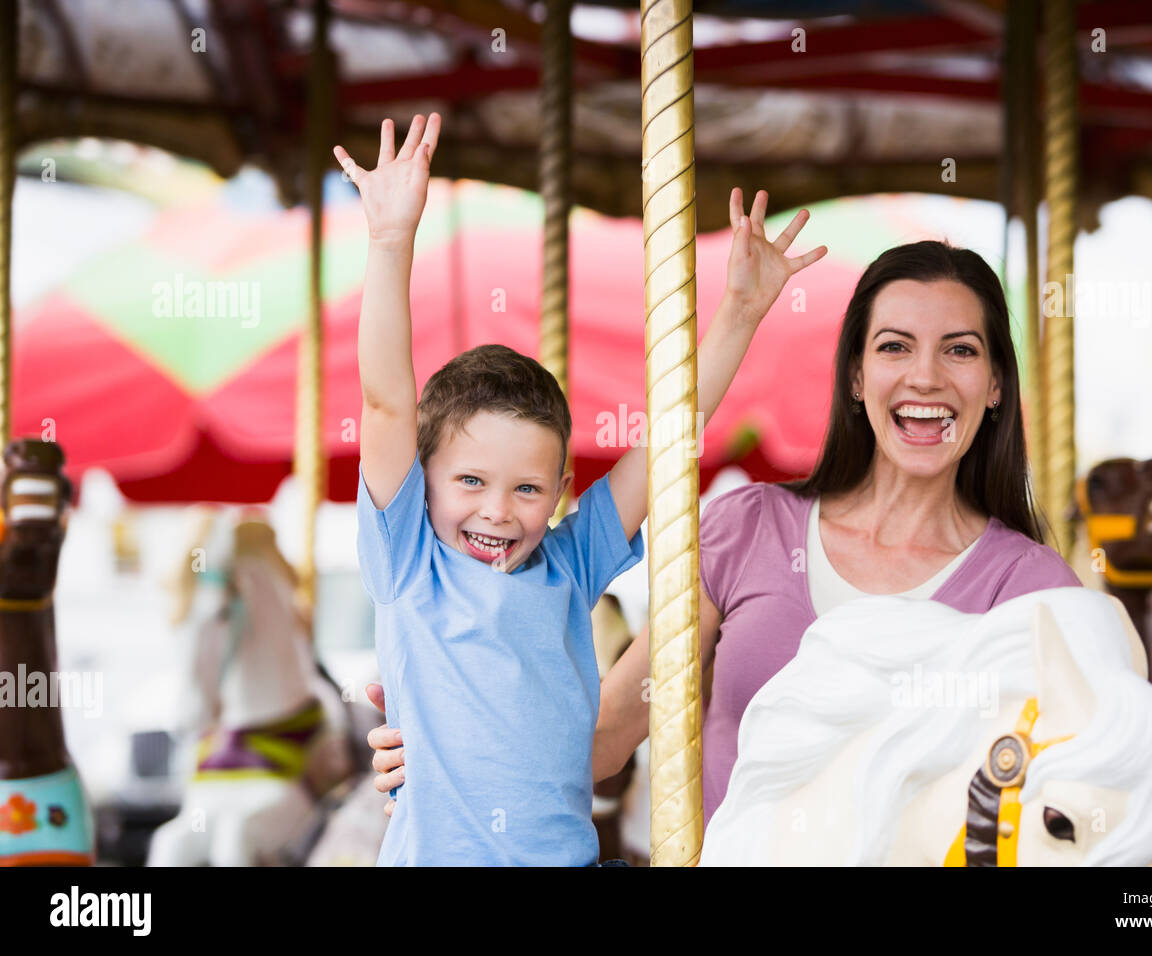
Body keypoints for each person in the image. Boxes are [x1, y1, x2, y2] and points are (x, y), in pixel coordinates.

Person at [363, 226, 1078, 837]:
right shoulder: (751, 531)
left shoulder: (1033, 590)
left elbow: (1081, 789)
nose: (925, 376)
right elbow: (604, 739)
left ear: (995, 385)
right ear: (857, 375)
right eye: (895, 346)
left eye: (959, 350)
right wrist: (445, 740)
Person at [334, 113, 826, 864]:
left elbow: (666, 445)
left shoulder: (568, 567)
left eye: (528, 489)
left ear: (564, 488)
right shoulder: (409, 566)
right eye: (470, 481)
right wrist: (390, 240)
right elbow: (386, 402)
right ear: (421, 481)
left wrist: (740, 312)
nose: (498, 510)